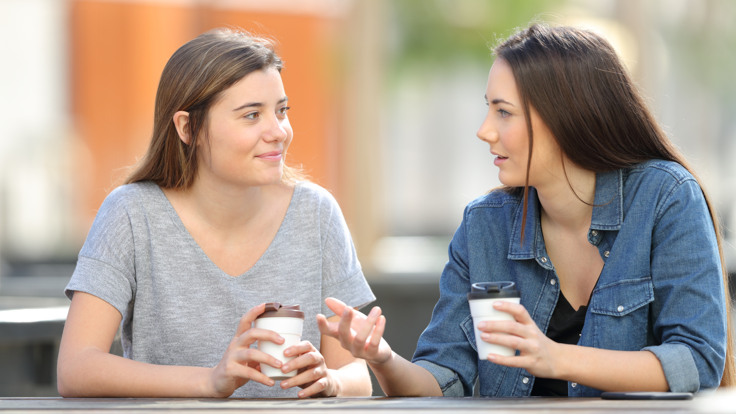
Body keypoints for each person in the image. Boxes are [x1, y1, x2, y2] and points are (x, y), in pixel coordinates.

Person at [318, 23, 734, 397]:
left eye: (503, 112)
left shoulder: (666, 197)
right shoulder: (485, 224)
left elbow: (697, 361)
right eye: (488, 108)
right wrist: (383, 358)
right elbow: (443, 378)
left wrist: (554, 357)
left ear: (566, 117)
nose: (484, 130)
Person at [57, 28, 375, 398]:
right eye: (252, 115)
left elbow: (357, 375)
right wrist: (210, 381)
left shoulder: (317, 214)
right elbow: (76, 367)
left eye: (282, 111)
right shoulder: (131, 214)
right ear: (187, 127)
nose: (279, 132)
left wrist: (331, 381)